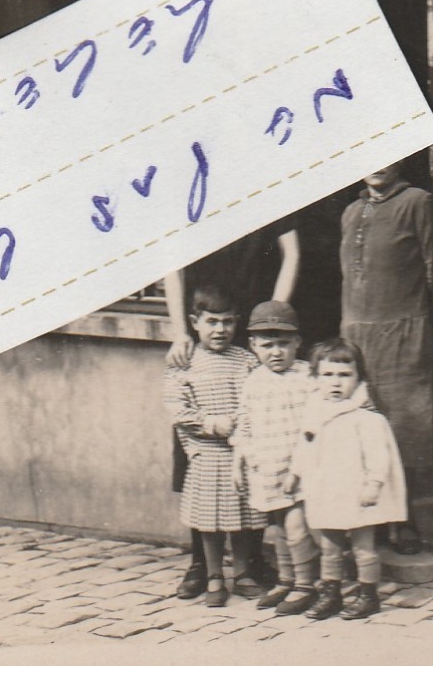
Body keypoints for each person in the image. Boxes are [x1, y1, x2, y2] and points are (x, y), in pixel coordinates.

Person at [162, 222, 300, 598]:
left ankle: (249, 563)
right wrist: (180, 332)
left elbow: (292, 254)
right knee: (201, 458)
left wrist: (269, 321)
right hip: (202, 314)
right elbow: (170, 262)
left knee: (256, 442)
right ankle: (201, 563)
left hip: (248, 318)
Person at [338, 161, 433, 552]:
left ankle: (404, 519)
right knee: (358, 427)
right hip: (357, 334)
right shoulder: (350, 211)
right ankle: (367, 520)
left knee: (402, 431)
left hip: (402, 333)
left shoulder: (418, 202)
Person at [287, 338, 407, 621]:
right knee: (330, 547)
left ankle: (368, 595)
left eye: (344, 375)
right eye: (327, 376)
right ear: (315, 378)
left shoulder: (365, 418)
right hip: (327, 490)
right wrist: (295, 473)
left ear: (358, 378)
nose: (335, 383)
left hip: (357, 492)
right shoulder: (315, 412)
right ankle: (331, 593)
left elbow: (379, 456)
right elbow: (305, 444)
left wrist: (374, 484)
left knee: (363, 548)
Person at [162, 284, 266, 606]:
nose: (220, 330)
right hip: (206, 452)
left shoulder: (247, 361)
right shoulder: (185, 362)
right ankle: (213, 575)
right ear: (195, 322)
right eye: (212, 322)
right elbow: (178, 410)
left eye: (227, 322)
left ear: (237, 323)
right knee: (210, 520)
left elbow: (259, 399)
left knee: (243, 516)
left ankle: (244, 572)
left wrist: (241, 424)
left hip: (240, 453)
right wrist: (212, 425)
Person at [233, 300, 320, 615]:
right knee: (279, 530)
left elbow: (315, 425)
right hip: (267, 468)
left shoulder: (308, 377)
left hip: (299, 469)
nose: (276, 352)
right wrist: (239, 459)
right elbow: (243, 421)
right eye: (267, 345)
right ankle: (286, 580)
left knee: (298, 528)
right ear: (253, 346)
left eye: (283, 344)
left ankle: (306, 585)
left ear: (297, 342)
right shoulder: (254, 380)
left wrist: (300, 466)